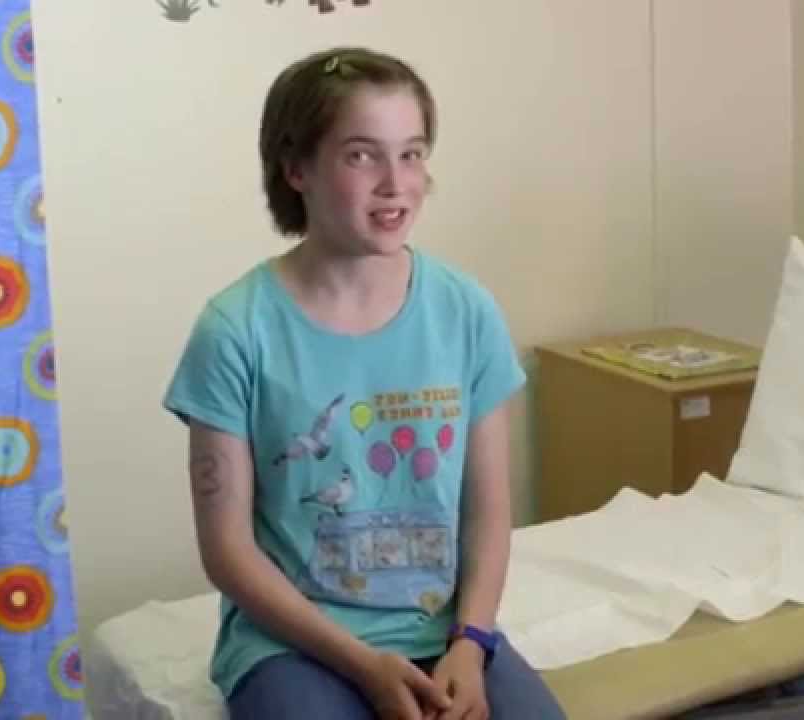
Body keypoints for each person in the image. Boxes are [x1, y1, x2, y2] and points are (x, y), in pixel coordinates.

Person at [163, 46, 566, 720]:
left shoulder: (465, 312)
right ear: (296, 168)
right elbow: (227, 552)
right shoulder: (235, 329)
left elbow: (488, 513)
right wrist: (363, 665)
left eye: (412, 154)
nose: (395, 183)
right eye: (361, 155)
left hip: (445, 635)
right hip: (293, 645)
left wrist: (471, 643)